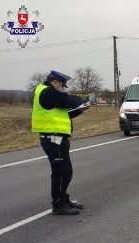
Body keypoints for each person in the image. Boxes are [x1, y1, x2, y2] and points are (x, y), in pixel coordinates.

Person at [31, 70, 90, 215]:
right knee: (61, 171)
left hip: (57, 138)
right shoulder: (47, 92)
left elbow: (64, 114)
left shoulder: (49, 94)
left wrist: (80, 109)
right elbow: (66, 100)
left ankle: (63, 198)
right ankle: (58, 204)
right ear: (55, 82)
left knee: (65, 171)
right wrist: (80, 101)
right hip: (53, 138)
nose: (61, 88)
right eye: (61, 85)